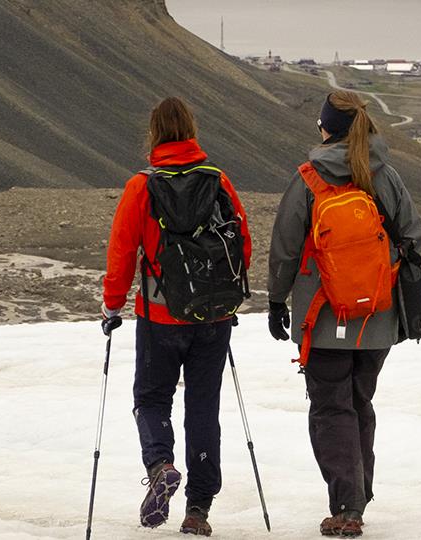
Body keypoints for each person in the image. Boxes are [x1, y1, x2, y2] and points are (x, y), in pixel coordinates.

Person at [268, 90, 421, 538]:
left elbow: (284, 250)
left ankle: (347, 504)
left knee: (331, 407)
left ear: (325, 128)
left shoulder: (308, 179)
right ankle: (358, 495)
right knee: (359, 403)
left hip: (323, 319)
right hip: (378, 318)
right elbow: (413, 236)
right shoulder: (386, 175)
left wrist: (278, 302)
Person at [101, 96, 251, 537]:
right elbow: (241, 242)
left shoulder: (141, 188)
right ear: (191, 130)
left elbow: (122, 253)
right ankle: (198, 511)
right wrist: (225, 296)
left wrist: (112, 305)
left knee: (151, 400)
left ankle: (161, 463)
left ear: (154, 134)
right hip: (213, 316)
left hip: (160, 318)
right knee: (203, 407)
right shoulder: (217, 180)